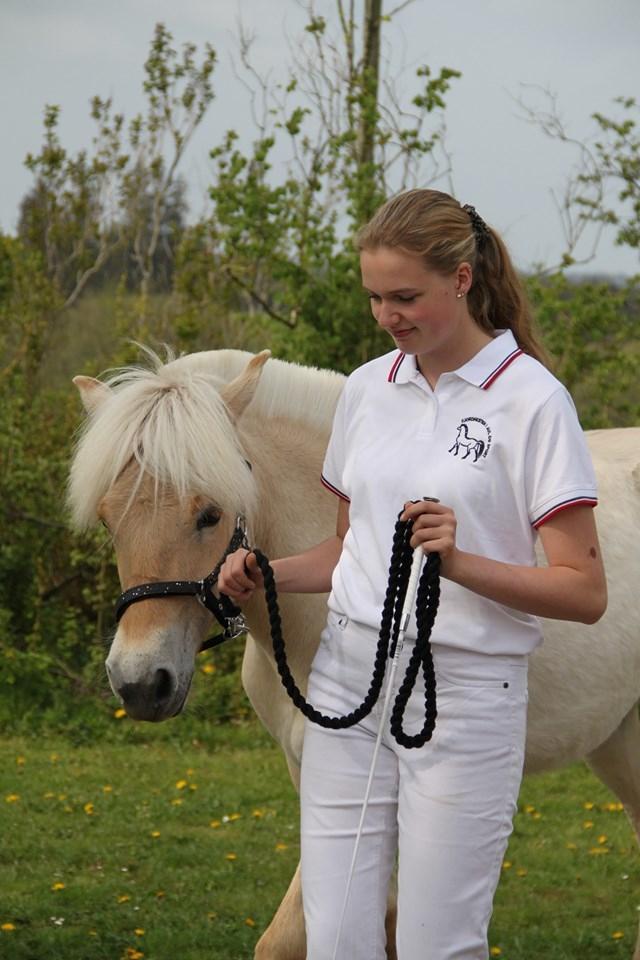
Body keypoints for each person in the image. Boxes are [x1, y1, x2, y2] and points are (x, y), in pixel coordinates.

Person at [217, 188, 607, 960]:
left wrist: (459, 564)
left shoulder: (532, 401)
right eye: (374, 297)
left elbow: (583, 591)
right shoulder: (367, 390)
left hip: (464, 693)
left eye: (406, 296)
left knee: (439, 946)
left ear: (462, 280)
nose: (388, 315)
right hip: (347, 681)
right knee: (334, 940)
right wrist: (266, 572)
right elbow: (349, 551)